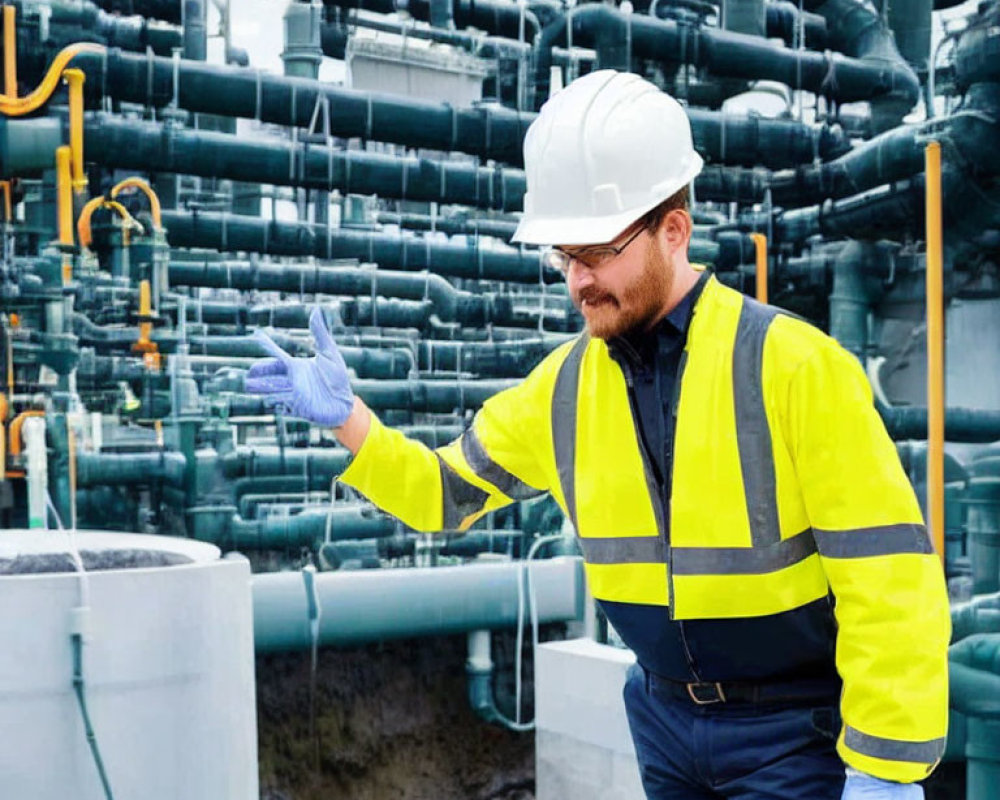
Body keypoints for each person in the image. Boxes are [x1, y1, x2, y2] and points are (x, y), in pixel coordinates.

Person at [246, 70, 950, 800]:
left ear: (673, 230)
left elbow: (888, 576)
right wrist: (350, 421)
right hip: (665, 724)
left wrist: (885, 769)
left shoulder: (794, 367)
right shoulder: (564, 387)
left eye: (598, 253)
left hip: (793, 737)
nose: (579, 280)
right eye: (564, 258)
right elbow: (442, 493)